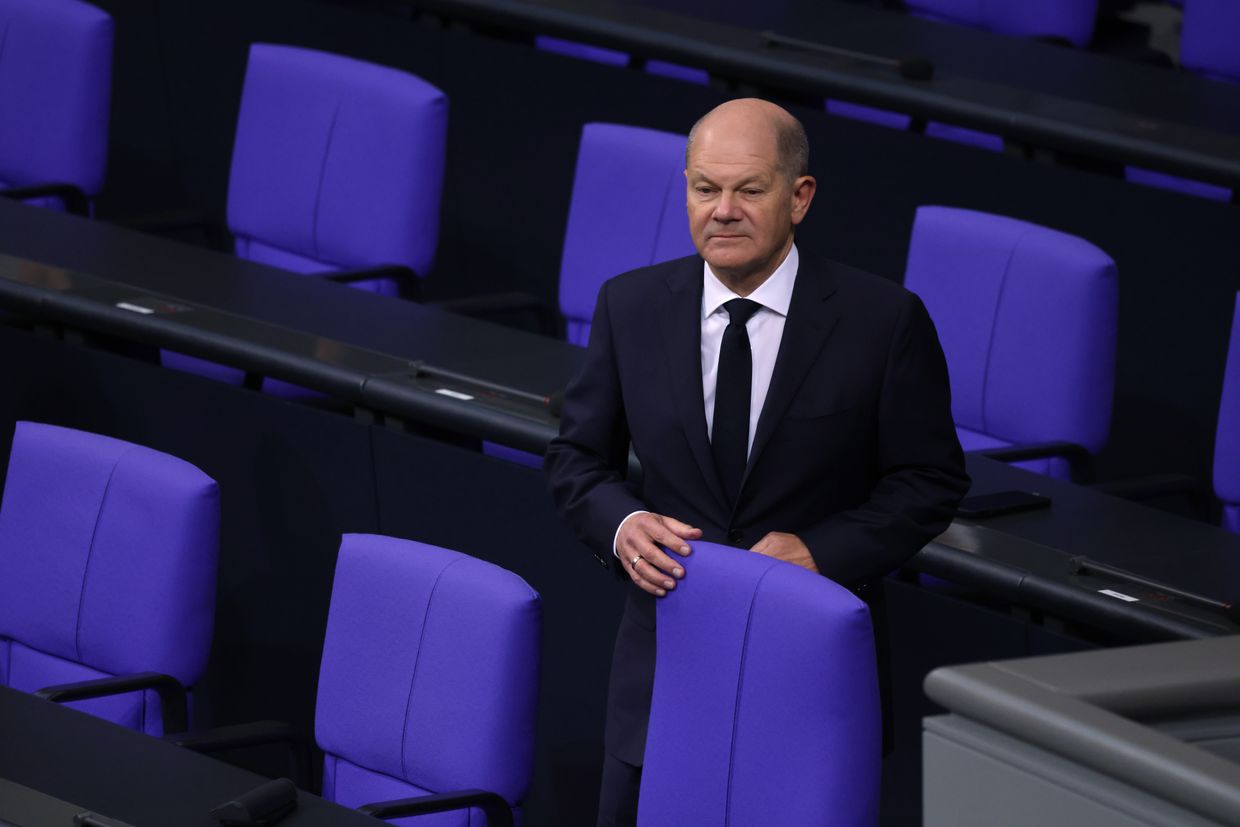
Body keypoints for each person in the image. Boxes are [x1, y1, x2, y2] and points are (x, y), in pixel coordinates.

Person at [545, 98, 969, 827]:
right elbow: (577, 456)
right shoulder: (631, 306)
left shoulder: (882, 321)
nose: (723, 211)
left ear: (799, 196)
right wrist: (624, 522)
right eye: (705, 188)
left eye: (749, 189)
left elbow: (930, 478)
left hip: (808, 671)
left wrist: (821, 548)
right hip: (665, 667)